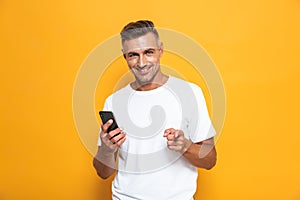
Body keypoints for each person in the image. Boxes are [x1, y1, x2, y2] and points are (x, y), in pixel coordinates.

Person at [93, 20, 217, 200]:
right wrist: (106, 149)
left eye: (148, 52)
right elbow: (103, 173)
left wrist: (186, 146)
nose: (141, 63)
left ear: (160, 50)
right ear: (124, 56)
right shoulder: (113, 102)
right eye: (133, 55)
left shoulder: (190, 93)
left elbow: (210, 160)